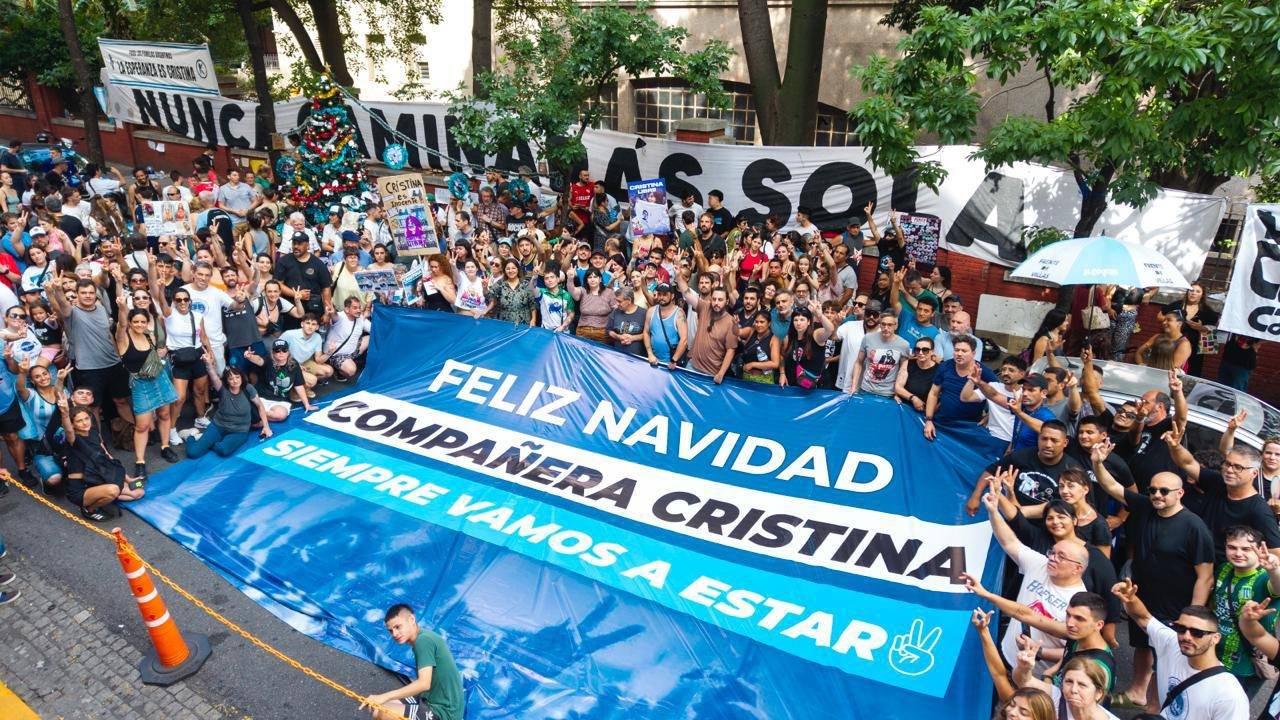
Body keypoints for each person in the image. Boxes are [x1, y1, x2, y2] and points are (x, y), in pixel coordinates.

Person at [1092, 440, 1215, 711]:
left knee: (1167, 657)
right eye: (1153, 490)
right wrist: (1098, 462)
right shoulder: (1146, 506)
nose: (1157, 495)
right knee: (1142, 644)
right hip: (1142, 597)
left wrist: (1191, 614)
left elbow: (1205, 576)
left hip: (1175, 605)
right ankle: (1137, 692)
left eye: (1164, 491)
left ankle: (1155, 708)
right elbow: (1111, 486)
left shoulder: (1194, 527)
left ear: (1180, 493)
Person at [981, 490, 1088, 671]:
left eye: (1061, 557)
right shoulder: (1040, 564)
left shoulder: (1080, 602)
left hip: (1037, 675)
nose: (1052, 558)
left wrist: (1039, 652)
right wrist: (993, 511)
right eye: (1052, 552)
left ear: (1077, 568)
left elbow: (1078, 651)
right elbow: (1009, 542)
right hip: (1006, 655)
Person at [1112, 578, 1249, 717]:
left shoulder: (1229, 695)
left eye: (1197, 633)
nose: (1187, 636)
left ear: (1216, 638)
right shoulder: (1171, 643)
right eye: (1181, 628)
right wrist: (1130, 598)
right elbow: (1144, 618)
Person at [1209, 525, 1280, 697]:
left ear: (1258, 550)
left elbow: (1277, 588)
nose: (1238, 553)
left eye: (1246, 549)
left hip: (1246, 662)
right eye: (1232, 547)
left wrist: (1274, 570)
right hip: (1215, 654)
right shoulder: (1224, 569)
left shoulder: (1264, 577)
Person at [363, 604, 463, 720]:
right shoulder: (424, 636)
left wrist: (384, 696)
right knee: (378, 709)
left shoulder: (423, 641)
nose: (394, 634)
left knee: (383, 712)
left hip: (444, 713)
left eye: (398, 627)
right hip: (430, 698)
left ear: (411, 619)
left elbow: (424, 684)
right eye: (391, 630)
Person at [59, 397, 145, 522]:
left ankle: (107, 495)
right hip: (80, 490)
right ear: (73, 424)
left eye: (86, 418)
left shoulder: (94, 433)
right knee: (114, 490)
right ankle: (89, 509)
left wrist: (128, 479)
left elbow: (108, 458)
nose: (84, 423)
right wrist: (65, 414)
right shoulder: (74, 440)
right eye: (79, 421)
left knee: (139, 492)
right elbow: (68, 430)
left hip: (97, 480)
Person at [115, 305, 178, 475]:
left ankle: (165, 446)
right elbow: (121, 325)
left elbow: (155, 355)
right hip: (141, 384)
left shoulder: (149, 336)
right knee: (142, 425)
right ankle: (140, 462)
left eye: (143, 321)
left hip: (159, 378)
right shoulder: (123, 338)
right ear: (130, 322)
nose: (139, 325)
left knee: (164, 414)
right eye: (136, 321)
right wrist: (122, 308)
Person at [183, 363, 271, 458]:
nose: (235, 381)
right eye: (231, 379)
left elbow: (260, 406)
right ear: (227, 381)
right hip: (218, 426)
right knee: (193, 453)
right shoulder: (222, 389)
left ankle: (208, 441)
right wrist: (208, 363)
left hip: (239, 430)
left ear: (242, 377)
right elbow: (213, 376)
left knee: (223, 450)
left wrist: (266, 427)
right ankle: (191, 436)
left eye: (237, 377)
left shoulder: (248, 388)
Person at [924, 335, 995, 439]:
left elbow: (999, 394)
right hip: (942, 422)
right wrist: (929, 420)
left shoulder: (984, 372)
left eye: (964, 351)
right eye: (956, 350)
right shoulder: (945, 366)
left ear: (973, 353)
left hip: (969, 427)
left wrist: (990, 416)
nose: (959, 354)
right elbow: (933, 393)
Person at [248, 338, 315, 420]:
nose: (281, 353)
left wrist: (307, 404)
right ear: (273, 352)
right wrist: (250, 357)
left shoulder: (294, 364)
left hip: (280, 401)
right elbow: (259, 360)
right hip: (261, 398)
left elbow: (299, 385)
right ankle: (257, 416)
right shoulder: (268, 360)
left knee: (281, 415)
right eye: (277, 350)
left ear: (288, 352)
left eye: (284, 350)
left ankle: (256, 416)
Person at [848, 310, 910, 397]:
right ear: (880, 325)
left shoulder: (904, 345)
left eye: (889, 325)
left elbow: (903, 370)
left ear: (896, 326)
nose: (886, 328)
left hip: (888, 393)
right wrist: (853, 386)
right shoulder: (868, 338)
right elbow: (859, 362)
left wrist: (898, 392)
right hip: (866, 390)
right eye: (883, 324)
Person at [688, 287, 737, 384]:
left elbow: (731, 350)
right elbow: (686, 293)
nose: (716, 303)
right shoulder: (705, 308)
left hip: (711, 373)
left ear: (727, 301)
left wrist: (721, 373)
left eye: (720, 300)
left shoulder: (731, 322)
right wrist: (679, 278)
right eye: (714, 299)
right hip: (692, 366)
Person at [325, 297, 370, 381]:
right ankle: (337, 371)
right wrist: (332, 312)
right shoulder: (340, 317)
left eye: (359, 307)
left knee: (371, 338)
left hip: (352, 351)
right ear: (347, 309)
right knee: (351, 370)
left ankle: (348, 361)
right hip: (337, 354)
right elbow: (334, 316)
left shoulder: (360, 318)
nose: (359, 310)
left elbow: (373, 330)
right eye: (355, 308)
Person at [644, 283, 687, 369]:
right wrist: (650, 354)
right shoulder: (651, 311)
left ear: (672, 296)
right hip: (654, 360)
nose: (661, 297)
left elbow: (684, 339)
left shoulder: (679, 314)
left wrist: (674, 360)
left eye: (665, 294)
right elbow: (646, 332)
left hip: (671, 364)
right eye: (659, 294)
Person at [894, 335, 938, 411]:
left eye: (925, 350)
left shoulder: (939, 369)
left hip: (923, 411)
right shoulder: (908, 363)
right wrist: (913, 398)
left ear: (932, 351)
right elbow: (898, 387)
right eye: (917, 349)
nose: (920, 353)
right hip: (903, 406)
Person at [606, 287, 646, 357]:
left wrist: (633, 338)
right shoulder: (615, 312)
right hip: (618, 355)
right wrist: (618, 337)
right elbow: (609, 330)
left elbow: (648, 334)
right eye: (616, 301)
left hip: (638, 357)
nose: (617, 304)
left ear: (629, 300)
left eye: (619, 301)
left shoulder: (644, 313)